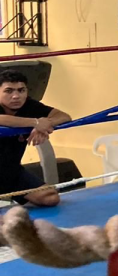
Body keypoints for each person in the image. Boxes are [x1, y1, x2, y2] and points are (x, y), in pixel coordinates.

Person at [0, 70, 71, 207]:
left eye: (21, 90)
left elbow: (64, 116)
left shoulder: (29, 105)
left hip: (11, 172)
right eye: (9, 91)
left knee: (50, 198)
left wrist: (46, 124)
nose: (16, 96)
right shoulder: (32, 117)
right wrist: (35, 123)